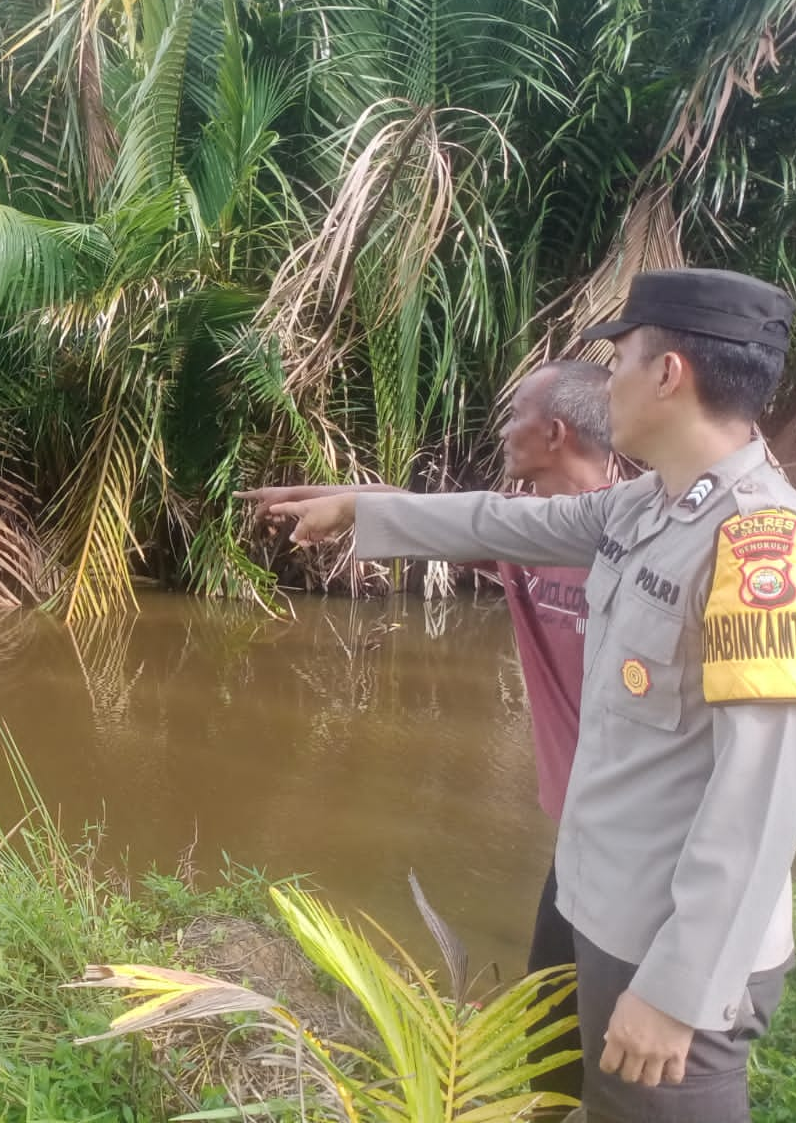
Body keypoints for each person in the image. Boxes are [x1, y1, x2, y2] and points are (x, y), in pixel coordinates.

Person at [243, 269, 796, 1123]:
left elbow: (760, 797)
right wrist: (361, 509)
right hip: (595, 901)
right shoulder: (645, 507)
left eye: (619, 359)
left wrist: (680, 991)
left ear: (668, 375)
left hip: (666, 945)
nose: (605, 383)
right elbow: (503, 523)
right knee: (566, 1100)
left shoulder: (761, 549)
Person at [241, 359, 614, 1102]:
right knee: (548, 1034)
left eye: (514, 417)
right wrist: (327, 499)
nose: (503, 430)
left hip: (638, 837)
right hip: (581, 834)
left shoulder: (636, 538)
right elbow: (425, 509)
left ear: (554, 432)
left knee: (632, 1053)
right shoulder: (525, 529)